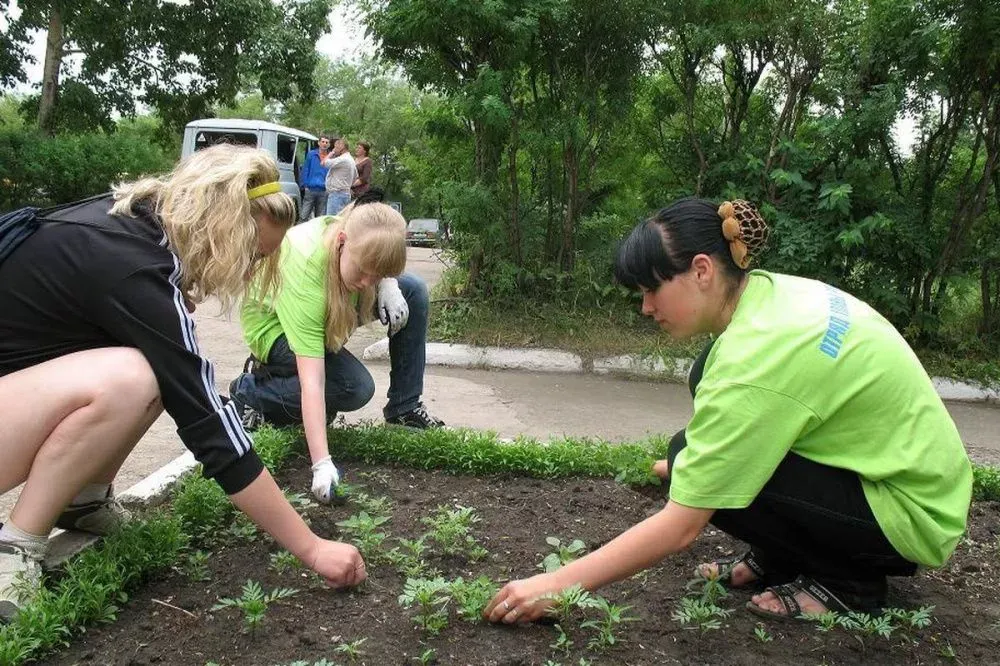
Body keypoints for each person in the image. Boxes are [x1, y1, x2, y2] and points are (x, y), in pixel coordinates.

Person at [484, 197, 972, 624]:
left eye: (653, 289)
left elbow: (681, 527)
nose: (646, 308)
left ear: (701, 270)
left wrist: (557, 584)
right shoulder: (769, 292)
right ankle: (784, 557)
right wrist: (686, 466)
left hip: (911, 514)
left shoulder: (756, 361)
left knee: (691, 473)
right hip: (908, 477)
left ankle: (850, 584)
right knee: (689, 455)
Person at [0, 145, 367, 624]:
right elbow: (211, 428)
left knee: (148, 367)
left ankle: (82, 503)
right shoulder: (135, 268)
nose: (252, 271)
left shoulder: (132, 226)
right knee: (131, 378)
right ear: (224, 229)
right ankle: (17, 547)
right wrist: (312, 548)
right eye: (253, 254)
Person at [230, 196, 444, 505]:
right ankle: (250, 393)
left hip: (330, 301)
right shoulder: (305, 274)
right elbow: (312, 382)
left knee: (414, 291)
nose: (367, 282)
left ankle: (404, 409)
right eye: (364, 271)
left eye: (376, 274)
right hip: (274, 328)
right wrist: (321, 463)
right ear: (342, 242)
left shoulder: (354, 244)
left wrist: (388, 282)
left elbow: (372, 271)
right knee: (353, 387)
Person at [299, 135, 332, 221]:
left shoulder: (331, 157)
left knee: (320, 218)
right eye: (323, 142)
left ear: (329, 145)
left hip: (324, 190)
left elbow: (332, 173)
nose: (324, 144)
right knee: (304, 215)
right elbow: (305, 169)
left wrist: (329, 187)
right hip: (310, 189)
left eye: (326, 142)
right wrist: (305, 185)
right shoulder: (311, 154)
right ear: (319, 143)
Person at [323, 137, 358, 216]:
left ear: (341, 147)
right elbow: (355, 176)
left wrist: (331, 153)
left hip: (337, 195)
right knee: (340, 220)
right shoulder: (351, 160)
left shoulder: (343, 159)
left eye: (335, 147)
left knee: (331, 221)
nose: (334, 149)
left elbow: (324, 162)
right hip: (345, 194)